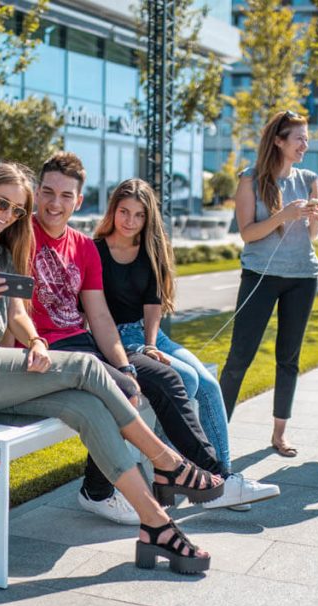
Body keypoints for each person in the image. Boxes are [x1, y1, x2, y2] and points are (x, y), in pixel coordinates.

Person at [0, 162, 222, 573]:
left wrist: (38, 341)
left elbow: (16, 315)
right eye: (2, 203)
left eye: (16, 210)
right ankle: (168, 462)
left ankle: (157, 526)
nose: (6, 214)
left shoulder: (3, 250)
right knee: (86, 368)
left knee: (87, 407)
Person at [30, 152, 278, 522]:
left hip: (85, 345)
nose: (55, 203)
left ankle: (212, 479)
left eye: (66, 196)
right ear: (36, 193)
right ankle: (148, 483)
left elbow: (99, 316)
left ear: (79, 201)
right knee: (125, 390)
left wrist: (126, 364)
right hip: (45, 353)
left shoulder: (81, 247)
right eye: (48, 192)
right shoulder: (22, 236)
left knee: (163, 379)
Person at [93, 178, 233, 473]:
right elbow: (94, 313)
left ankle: (224, 473)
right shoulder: (96, 251)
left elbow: (153, 305)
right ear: (113, 211)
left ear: (148, 217)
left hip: (148, 333)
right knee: (186, 380)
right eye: (124, 212)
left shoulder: (151, 249)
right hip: (115, 339)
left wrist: (152, 344)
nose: (131, 221)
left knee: (208, 384)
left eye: (139, 214)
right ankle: (171, 472)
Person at [218, 110, 318, 457]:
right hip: (260, 277)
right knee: (239, 357)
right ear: (279, 141)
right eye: (299, 138)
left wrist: (315, 220)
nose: (304, 145)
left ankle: (280, 434)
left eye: (306, 139)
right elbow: (248, 234)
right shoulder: (250, 179)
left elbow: (310, 236)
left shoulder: (309, 178)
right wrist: (282, 215)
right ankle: (213, 434)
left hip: (302, 277)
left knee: (288, 358)